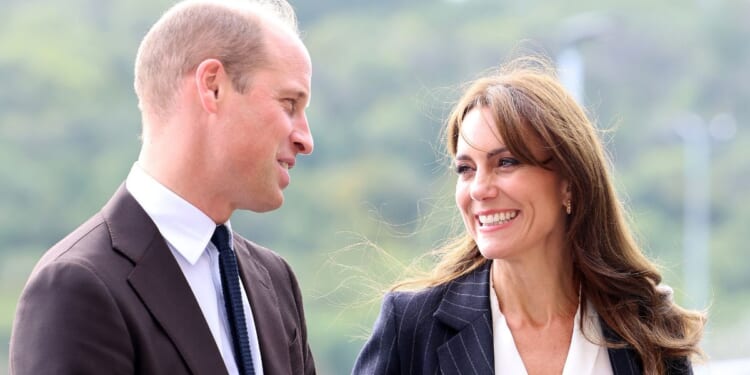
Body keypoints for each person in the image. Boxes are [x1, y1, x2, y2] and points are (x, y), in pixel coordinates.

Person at [9, 0, 316, 374]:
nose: (305, 139)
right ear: (213, 87)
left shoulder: (275, 281)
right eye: (289, 104)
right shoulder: (76, 286)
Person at [352, 57, 705, 375]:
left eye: (505, 162)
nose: (479, 189)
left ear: (569, 181)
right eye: (465, 169)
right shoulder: (413, 327)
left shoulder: (649, 326)